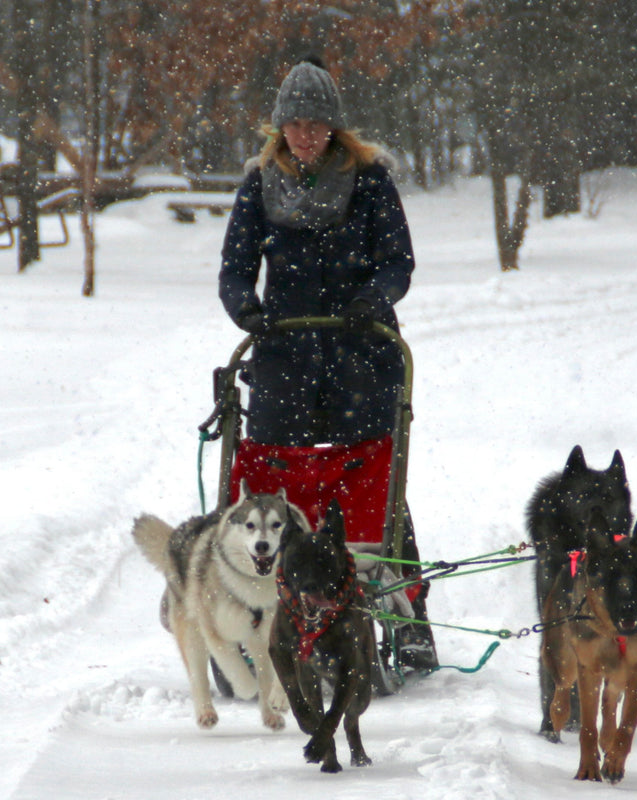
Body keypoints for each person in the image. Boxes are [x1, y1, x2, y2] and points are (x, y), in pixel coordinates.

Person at [218, 57, 436, 672]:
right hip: (285, 354)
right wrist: (247, 311)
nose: (305, 135)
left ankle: (407, 608)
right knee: (275, 480)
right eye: (295, 124)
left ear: (334, 129)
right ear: (279, 128)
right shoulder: (257, 185)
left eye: (316, 124)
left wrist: (375, 297)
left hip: (358, 352)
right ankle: (261, 603)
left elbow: (399, 261)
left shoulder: (370, 181)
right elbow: (234, 270)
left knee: (374, 482)